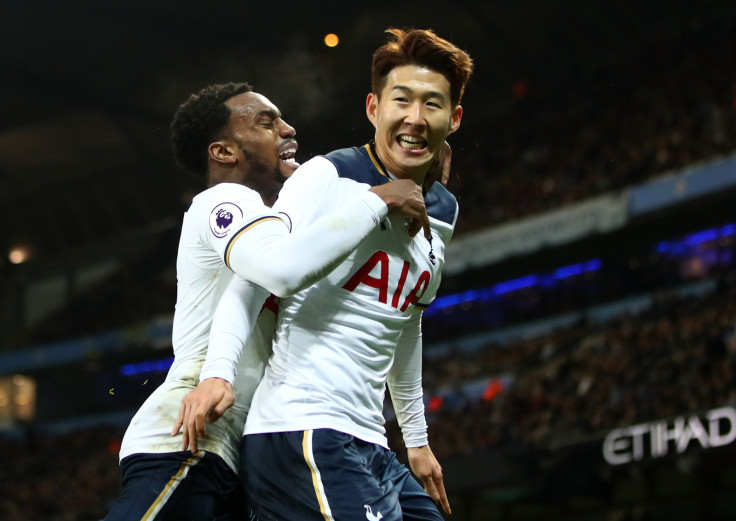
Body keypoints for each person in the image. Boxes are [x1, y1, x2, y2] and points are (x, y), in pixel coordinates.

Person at [178, 28, 474, 521]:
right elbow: (256, 279)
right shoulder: (328, 175)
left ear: (454, 118)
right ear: (373, 109)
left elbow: (405, 321)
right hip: (301, 430)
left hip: (371, 443)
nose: (415, 119)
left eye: (433, 104)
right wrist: (217, 373)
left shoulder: (443, 209)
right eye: (401, 100)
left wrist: (417, 442)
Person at [103, 81, 431, 521]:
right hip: (191, 436)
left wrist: (418, 164)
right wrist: (377, 197)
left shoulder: (285, 220)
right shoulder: (226, 200)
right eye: (266, 122)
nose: (287, 128)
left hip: (246, 451)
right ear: (224, 152)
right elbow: (283, 269)